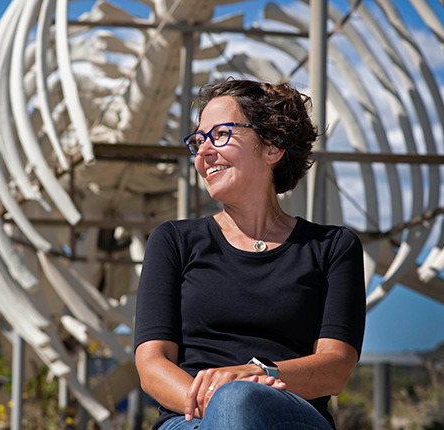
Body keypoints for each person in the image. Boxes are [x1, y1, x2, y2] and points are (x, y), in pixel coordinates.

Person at [134, 78, 366, 430]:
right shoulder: (173, 241)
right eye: (198, 140)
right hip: (191, 418)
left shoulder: (333, 247)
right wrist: (217, 402)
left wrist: (257, 375)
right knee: (232, 402)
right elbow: (151, 366)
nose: (204, 152)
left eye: (220, 135)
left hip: (290, 415)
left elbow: (335, 367)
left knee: (238, 399)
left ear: (272, 147)